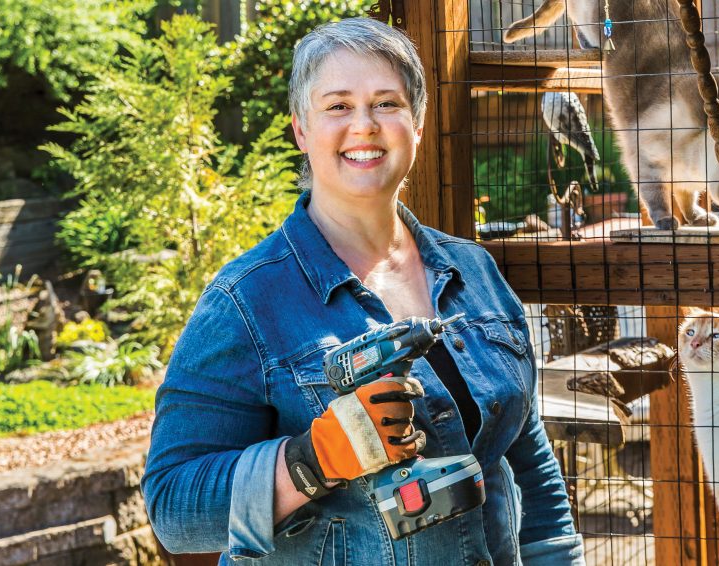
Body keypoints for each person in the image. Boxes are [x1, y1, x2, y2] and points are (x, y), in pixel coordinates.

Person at [142, 17, 585, 565]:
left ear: (417, 124)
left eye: (386, 103)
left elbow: (527, 460)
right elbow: (173, 509)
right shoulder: (245, 303)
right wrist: (312, 461)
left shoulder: (474, 272)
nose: (365, 126)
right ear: (302, 131)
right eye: (338, 106)